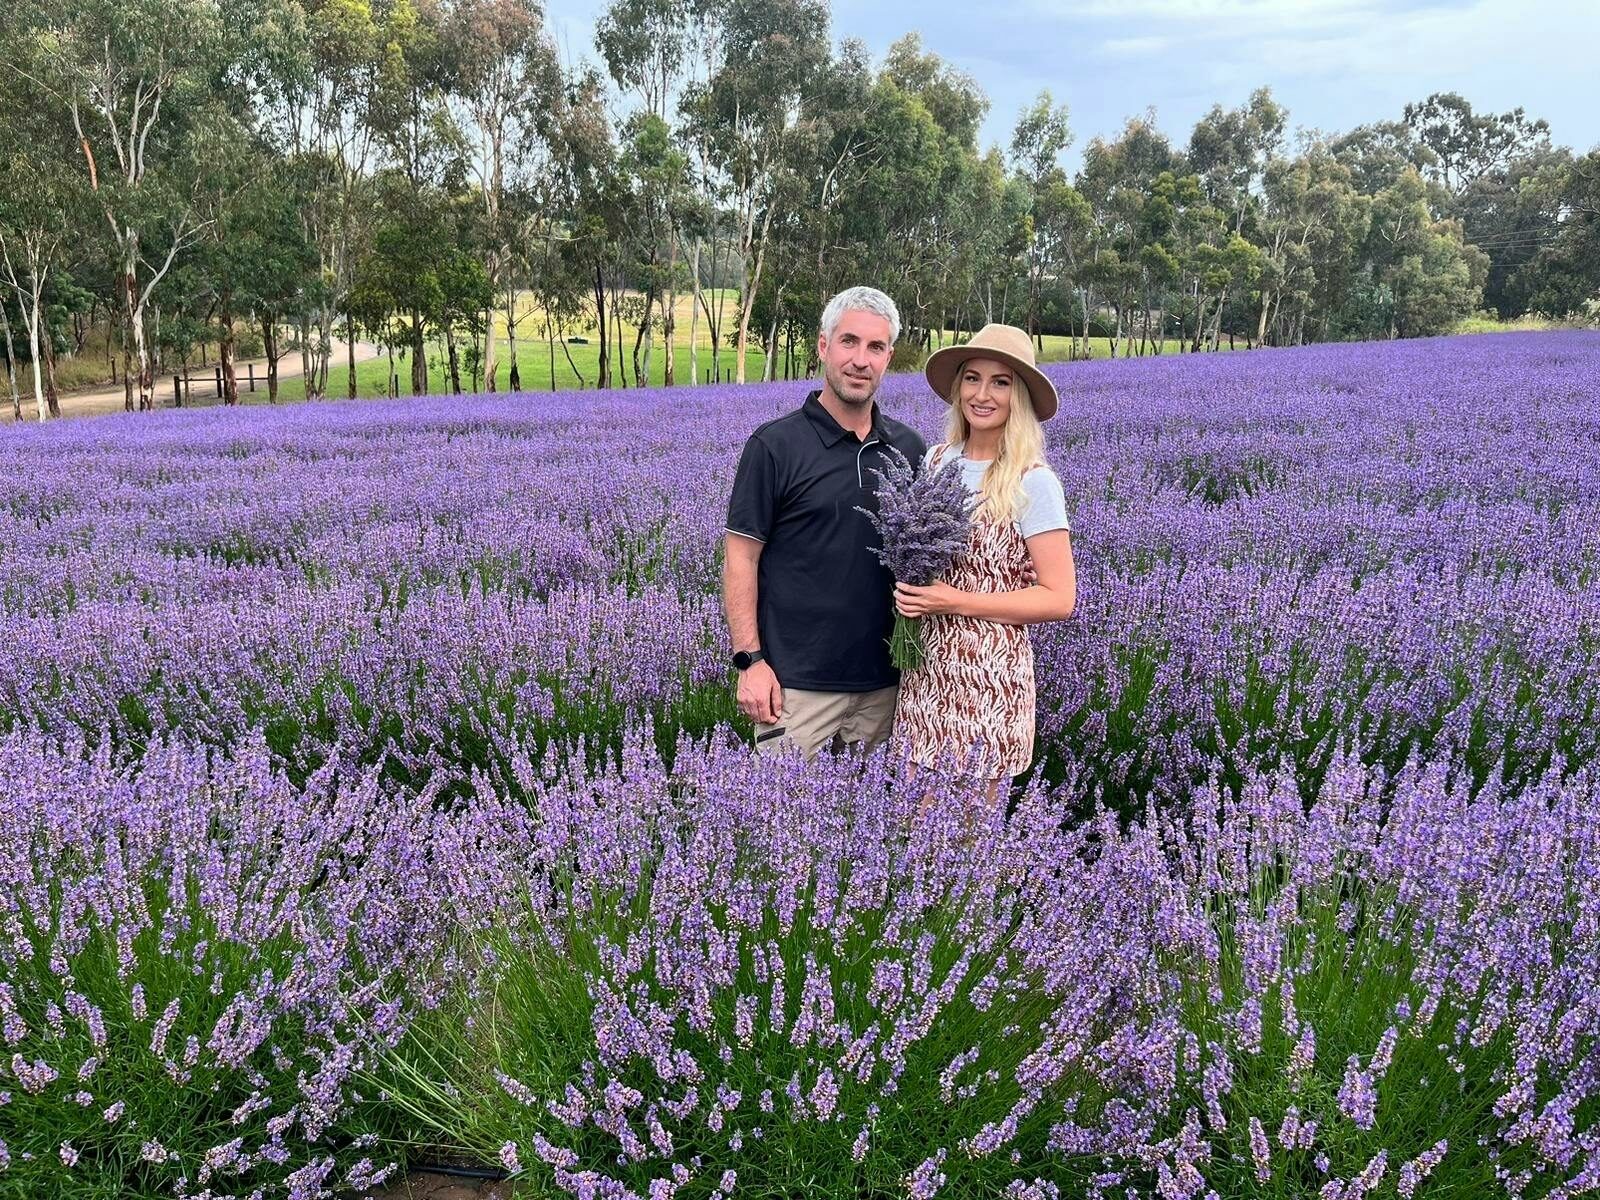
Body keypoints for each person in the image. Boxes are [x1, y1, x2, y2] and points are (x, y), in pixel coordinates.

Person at [723, 286, 927, 757]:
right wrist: (750, 662)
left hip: (887, 688)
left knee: (874, 825)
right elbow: (740, 557)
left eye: (876, 347)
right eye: (849, 342)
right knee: (783, 826)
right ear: (823, 347)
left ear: (889, 357)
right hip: (795, 690)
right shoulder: (775, 446)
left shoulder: (910, 449)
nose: (861, 360)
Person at [892, 323, 1077, 788]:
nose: (983, 394)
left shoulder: (1033, 482)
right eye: (973, 378)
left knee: (973, 851)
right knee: (915, 842)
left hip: (991, 684)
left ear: (1020, 398)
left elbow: (1059, 598)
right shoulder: (936, 462)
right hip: (926, 675)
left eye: (1001, 382)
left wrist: (954, 600)